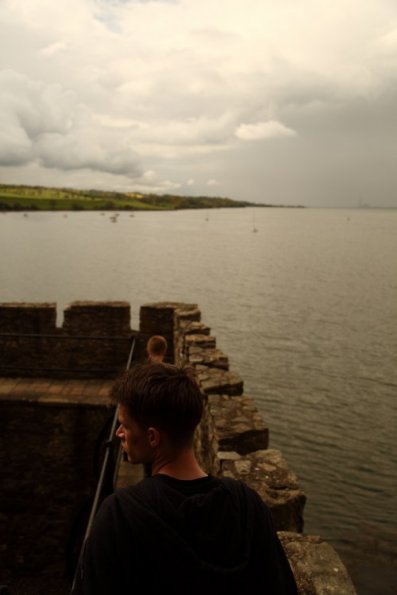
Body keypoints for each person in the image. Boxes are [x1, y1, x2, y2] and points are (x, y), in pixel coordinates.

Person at [71, 363, 298, 595]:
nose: (118, 433)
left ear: (152, 437)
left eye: (125, 425)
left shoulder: (120, 515)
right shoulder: (247, 505)